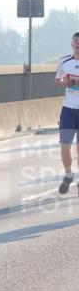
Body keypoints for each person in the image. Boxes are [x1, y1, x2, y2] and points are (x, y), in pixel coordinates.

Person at [55, 32, 79, 195]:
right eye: (75, 41)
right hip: (68, 109)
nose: (77, 44)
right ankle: (68, 174)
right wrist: (66, 82)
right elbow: (57, 81)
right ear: (71, 44)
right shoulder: (64, 61)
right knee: (65, 145)